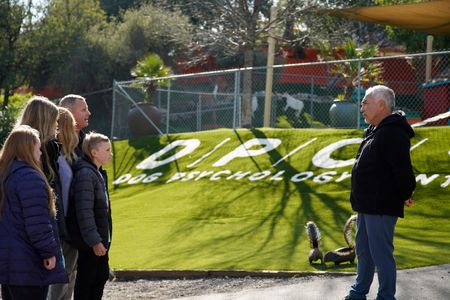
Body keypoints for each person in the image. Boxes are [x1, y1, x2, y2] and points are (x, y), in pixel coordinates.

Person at [343, 85, 416, 300]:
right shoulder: (373, 131)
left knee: (381, 254)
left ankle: (386, 296)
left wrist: (406, 192)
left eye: (365, 102)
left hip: (381, 205)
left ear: (382, 105)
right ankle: (358, 292)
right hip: (366, 205)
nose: (361, 108)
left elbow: (403, 169)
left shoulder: (393, 133)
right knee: (364, 252)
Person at [0, 125, 68, 300]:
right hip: (28, 262)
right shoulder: (29, 177)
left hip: (9, 262)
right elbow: (37, 224)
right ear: (28, 148)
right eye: (38, 147)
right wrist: (49, 252)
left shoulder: (6, 175)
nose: (40, 152)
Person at [66, 132, 113, 300]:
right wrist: (95, 241)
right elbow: (84, 212)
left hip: (100, 240)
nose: (110, 154)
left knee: (100, 276)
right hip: (91, 243)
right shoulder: (86, 174)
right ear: (94, 152)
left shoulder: (96, 173)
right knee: (88, 281)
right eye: (107, 150)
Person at [16, 96, 66, 239]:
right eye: (55, 121)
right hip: (41, 234)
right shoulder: (35, 154)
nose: (57, 125)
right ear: (44, 122)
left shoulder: (48, 150)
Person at [47, 107, 79, 300]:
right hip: (62, 228)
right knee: (60, 281)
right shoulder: (57, 159)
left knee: (69, 278)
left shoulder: (67, 158)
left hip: (68, 228)